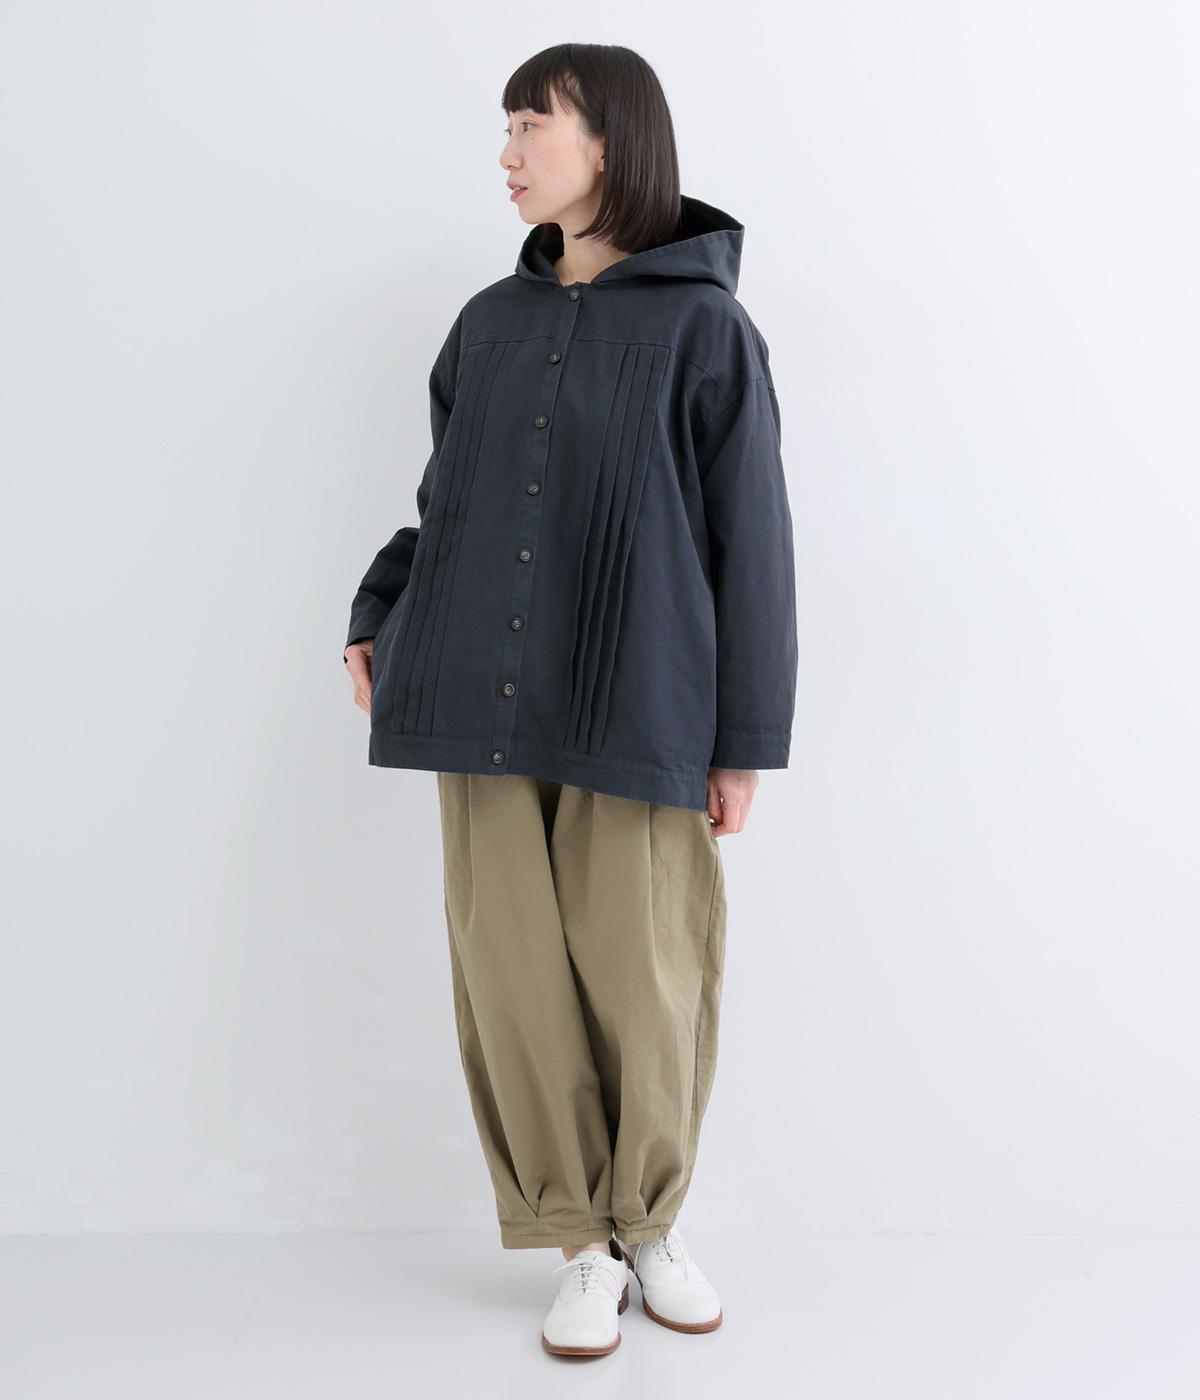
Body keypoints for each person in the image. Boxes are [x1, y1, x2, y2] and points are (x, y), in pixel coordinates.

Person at [343, 43, 797, 1358]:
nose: (507, 153)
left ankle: (649, 1223)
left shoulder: (707, 329)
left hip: (639, 695)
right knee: (513, 975)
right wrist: (380, 614)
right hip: (473, 688)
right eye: (506, 128)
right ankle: (578, 1244)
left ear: (609, 143)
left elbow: (751, 543)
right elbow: (449, 498)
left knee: (645, 969)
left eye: (529, 125)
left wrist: (742, 741)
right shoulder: (489, 324)